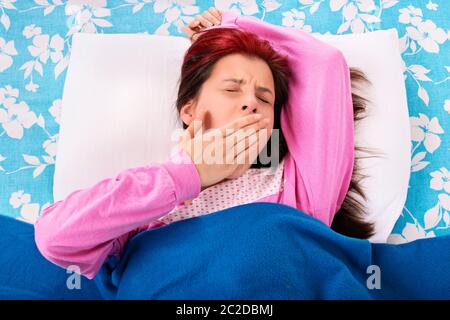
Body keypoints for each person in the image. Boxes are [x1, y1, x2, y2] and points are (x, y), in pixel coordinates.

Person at [34, 8, 375, 281]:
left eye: (264, 97)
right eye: (232, 89)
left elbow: (325, 63)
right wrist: (191, 173)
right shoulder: (150, 201)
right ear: (190, 110)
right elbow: (56, 237)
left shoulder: (300, 191)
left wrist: (233, 24)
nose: (250, 103)